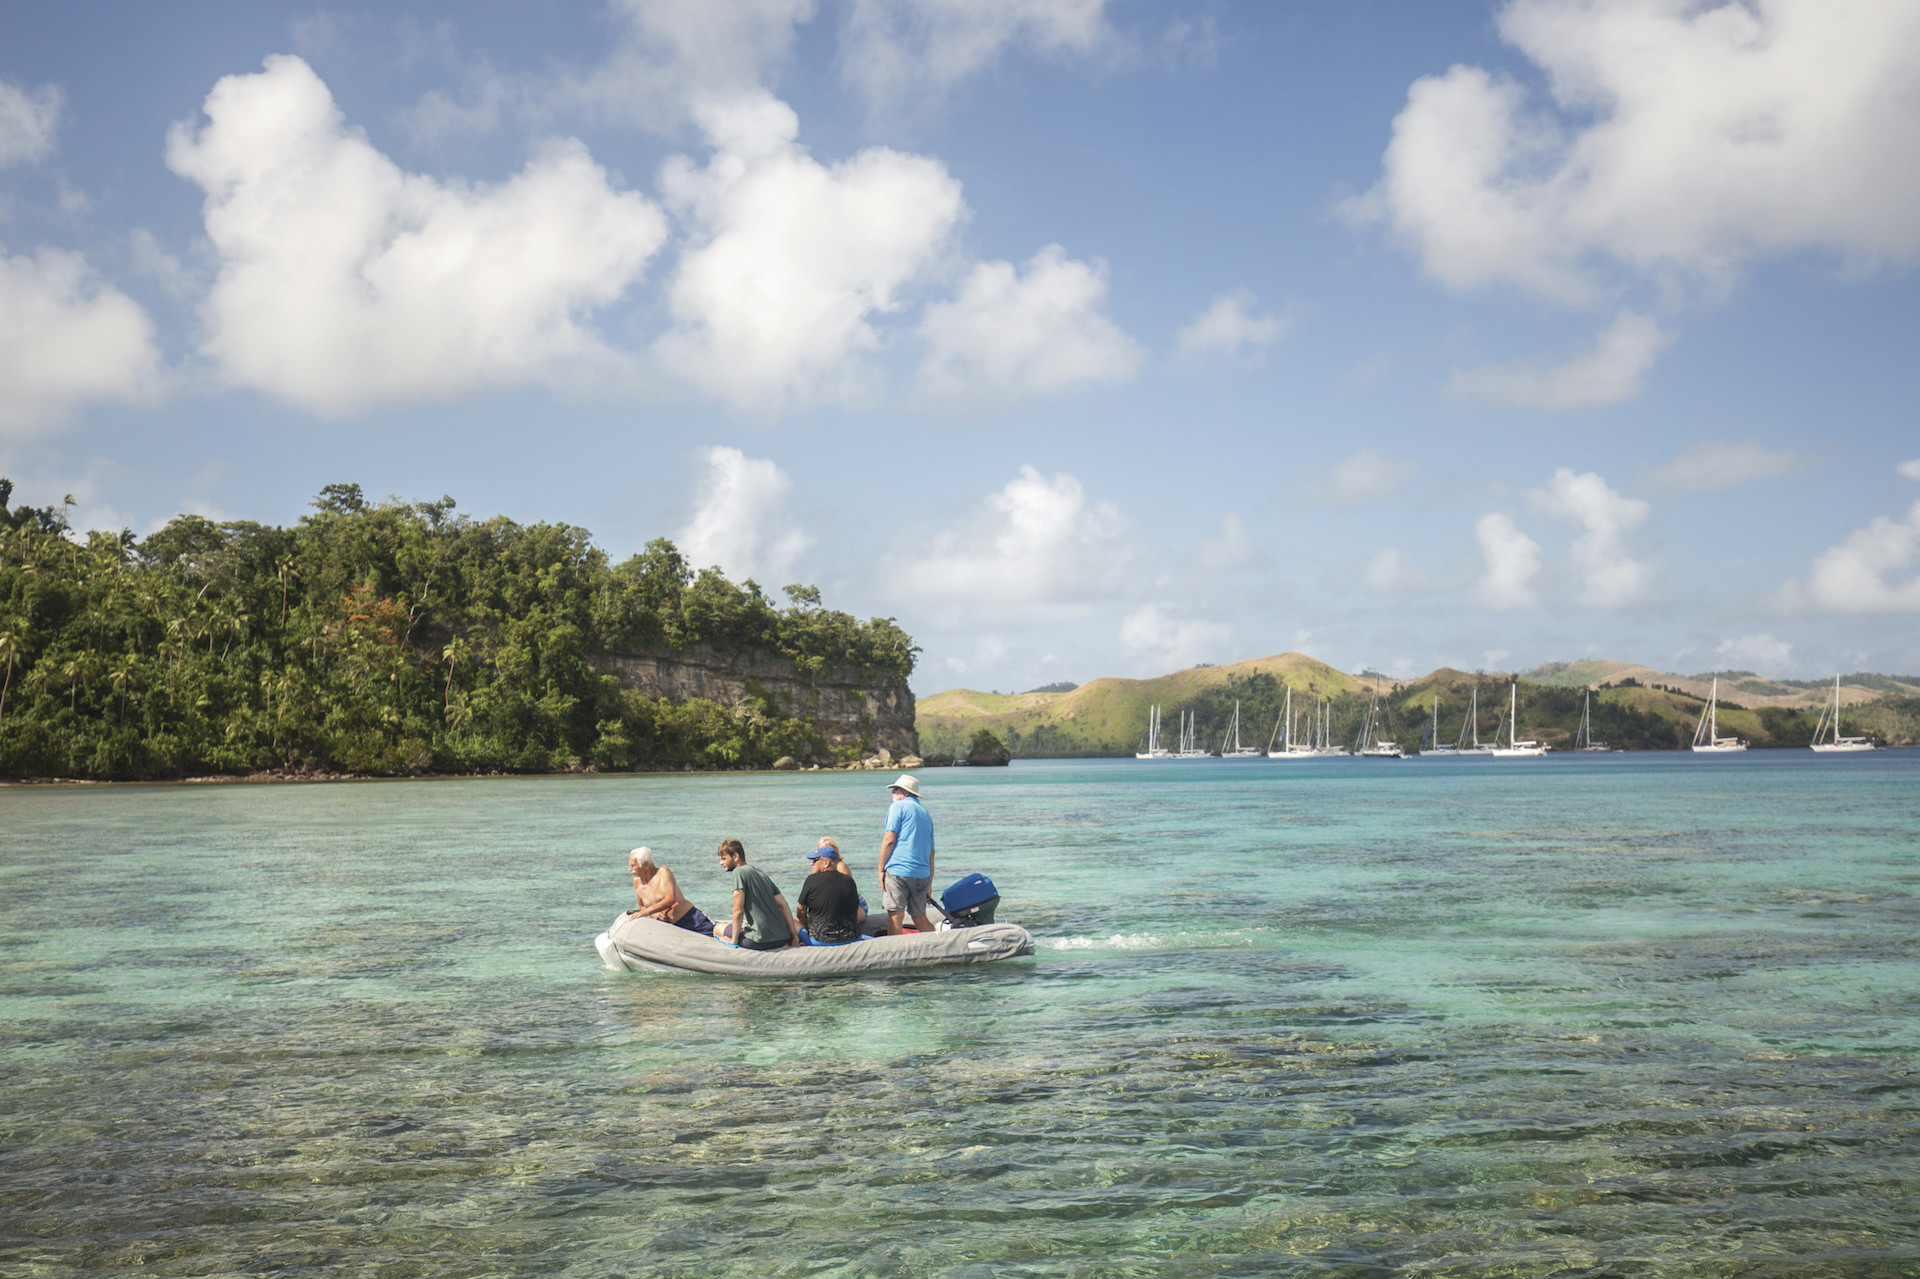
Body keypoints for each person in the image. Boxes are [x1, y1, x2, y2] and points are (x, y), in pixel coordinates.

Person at [712, 838, 801, 950]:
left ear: (735, 856)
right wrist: (794, 936)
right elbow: (783, 905)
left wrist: (733, 941)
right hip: (782, 938)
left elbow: (738, 911)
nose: (721, 863)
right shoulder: (761, 874)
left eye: (724, 858)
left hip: (758, 941)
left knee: (718, 928)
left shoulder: (738, 872)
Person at [877, 773, 935, 935]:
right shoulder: (926, 814)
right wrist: (929, 883)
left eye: (895, 789)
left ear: (906, 792)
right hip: (922, 874)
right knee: (919, 917)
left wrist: (881, 868)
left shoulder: (897, 807)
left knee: (895, 915)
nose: (892, 792)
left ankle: (892, 954)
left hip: (898, 871)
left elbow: (889, 839)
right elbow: (931, 853)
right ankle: (936, 945)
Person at [627, 847, 715, 937]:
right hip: (671, 928)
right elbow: (642, 907)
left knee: (715, 938)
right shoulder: (636, 882)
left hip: (690, 919)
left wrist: (647, 912)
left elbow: (670, 899)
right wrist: (654, 915)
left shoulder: (662, 872)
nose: (630, 869)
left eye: (633, 866)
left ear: (646, 865)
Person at [796, 843, 865, 944]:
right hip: (851, 938)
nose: (812, 864)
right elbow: (854, 910)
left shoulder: (811, 880)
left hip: (821, 941)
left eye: (815, 860)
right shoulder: (849, 880)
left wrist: (807, 927)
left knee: (793, 922)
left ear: (826, 863)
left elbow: (800, 911)